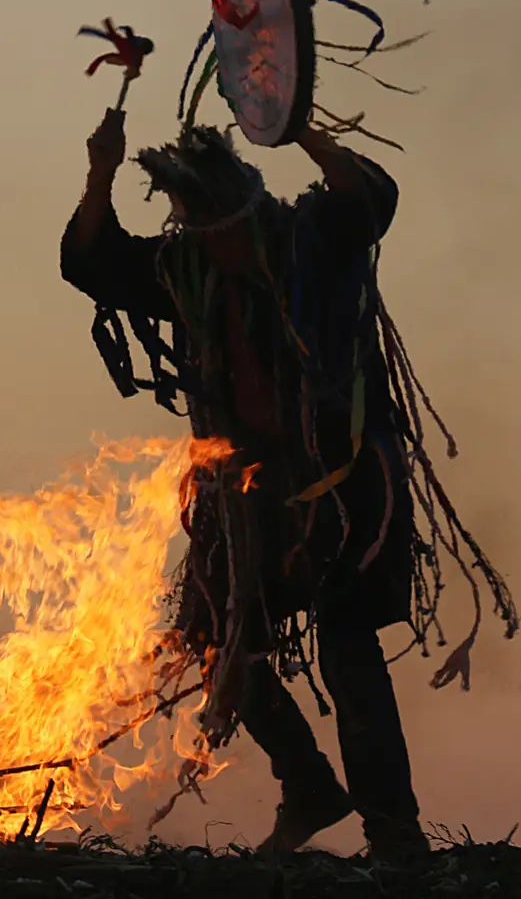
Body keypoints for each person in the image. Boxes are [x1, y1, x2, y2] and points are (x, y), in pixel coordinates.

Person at [59, 108, 436, 861]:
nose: (218, 250)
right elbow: (89, 264)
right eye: (201, 234)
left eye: (224, 233)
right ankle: (309, 786)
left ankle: (394, 834)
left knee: (349, 645)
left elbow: (371, 196)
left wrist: (297, 126)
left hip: (348, 489)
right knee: (215, 632)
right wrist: (103, 170)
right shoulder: (188, 269)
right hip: (253, 499)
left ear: (250, 213)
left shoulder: (312, 242)